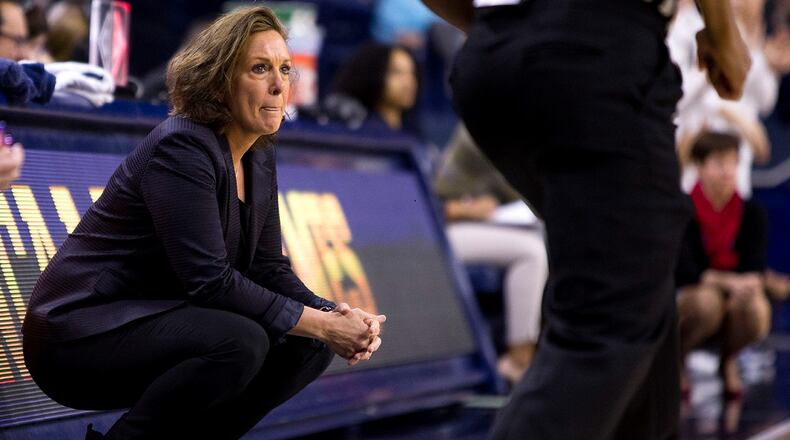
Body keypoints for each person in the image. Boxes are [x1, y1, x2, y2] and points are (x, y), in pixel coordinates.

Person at [22, 6, 386, 440]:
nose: (278, 85)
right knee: (240, 340)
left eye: (285, 70)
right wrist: (323, 321)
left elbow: (268, 268)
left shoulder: (259, 153)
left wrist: (336, 317)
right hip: (77, 335)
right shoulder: (182, 147)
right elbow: (209, 281)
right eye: (259, 69)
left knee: (307, 343)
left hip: (154, 322)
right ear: (218, 81)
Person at [422, 0, 751, 438]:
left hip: (492, 60)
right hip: (597, 50)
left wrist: (499, 29)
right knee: (609, 324)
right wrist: (724, 36)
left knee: (641, 305)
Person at [434, 124, 547, 384]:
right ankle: (519, 361)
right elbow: (527, 184)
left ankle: (550, 354)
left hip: (484, 223)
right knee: (531, 252)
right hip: (441, 229)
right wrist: (466, 210)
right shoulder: (483, 120)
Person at [676, 130, 770, 400]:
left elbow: (755, 267)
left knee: (755, 309)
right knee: (707, 304)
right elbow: (685, 271)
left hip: (734, 293)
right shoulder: (684, 209)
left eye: (732, 162)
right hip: (692, 294)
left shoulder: (751, 213)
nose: (727, 171)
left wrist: (742, 286)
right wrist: (728, 282)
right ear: (700, 166)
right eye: (719, 163)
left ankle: (728, 359)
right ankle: (678, 359)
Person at [330, 42, 419, 135]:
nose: (409, 82)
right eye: (396, 73)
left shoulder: (415, 135)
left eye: (412, 73)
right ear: (373, 75)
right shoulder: (359, 131)